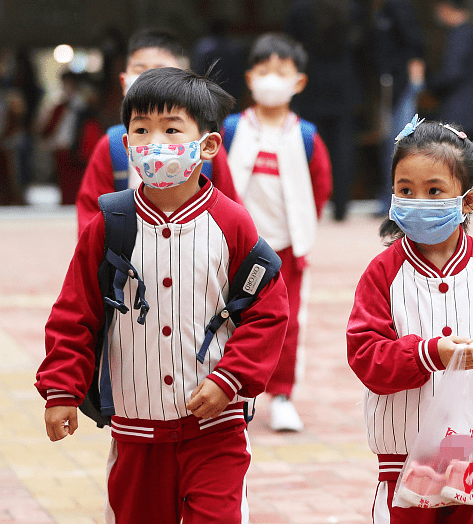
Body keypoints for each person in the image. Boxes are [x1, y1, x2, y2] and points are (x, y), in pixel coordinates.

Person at [35, 67, 289, 523]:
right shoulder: (109, 227)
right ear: (127, 143)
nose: (155, 142)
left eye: (171, 129)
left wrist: (231, 378)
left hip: (216, 428)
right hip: (136, 430)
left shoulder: (233, 225)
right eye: (141, 130)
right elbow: (75, 314)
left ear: (207, 145)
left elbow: (267, 312)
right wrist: (61, 389)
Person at [346, 118, 473, 523]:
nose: (418, 200)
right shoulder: (382, 274)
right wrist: (428, 353)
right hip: (403, 454)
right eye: (406, 190)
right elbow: (366, 356)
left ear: (468, 200)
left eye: (434, 190)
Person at [225, 33, 332, 432]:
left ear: (298, 82)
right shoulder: (233, 129)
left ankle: (282, 395)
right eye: (264, 71)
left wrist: (302, 234)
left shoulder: (305, 136)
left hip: (285, 250)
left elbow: (320, 187)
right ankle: (236, 389)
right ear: (250, 78)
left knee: (285, 324)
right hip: (237, 249)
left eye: (281, 72)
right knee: (233, 317)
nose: (272, 79)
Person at [75, 28, 240, 235]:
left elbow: (230, 211)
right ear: (124, 80)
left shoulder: (203, 145)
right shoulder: (112, 145)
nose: (149, 77)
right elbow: (90, 216)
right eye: (140, 68)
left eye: (160, 69)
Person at [286, 0, 363, 221]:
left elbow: (291, 45)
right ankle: (341, 207)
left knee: (310, 146)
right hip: (344, 83)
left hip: (313, 83)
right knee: (343, 148)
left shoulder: (300, 8)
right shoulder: (351, 7)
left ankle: (312, 205)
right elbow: (360, 43)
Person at [370, 0, 426, 215]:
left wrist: (414, 73)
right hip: (389, 83)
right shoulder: (384, 9)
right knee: (392, 143)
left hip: (398, 84)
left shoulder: (398, 6)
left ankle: (399, 199)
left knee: (399, 143)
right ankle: (392, 197)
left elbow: (415, 42)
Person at [39, 71, 103, 205]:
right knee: (66, 186)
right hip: (63, 151)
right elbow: (47, 129)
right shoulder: (61, 107)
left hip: (80, 150)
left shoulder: (87, 106)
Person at [428, 0, 473, 141]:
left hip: (459, 116)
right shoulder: (471, 33)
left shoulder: (459, 37)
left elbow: (452, 73)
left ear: (446, 7)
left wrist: (429, 84)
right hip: (471, 115)